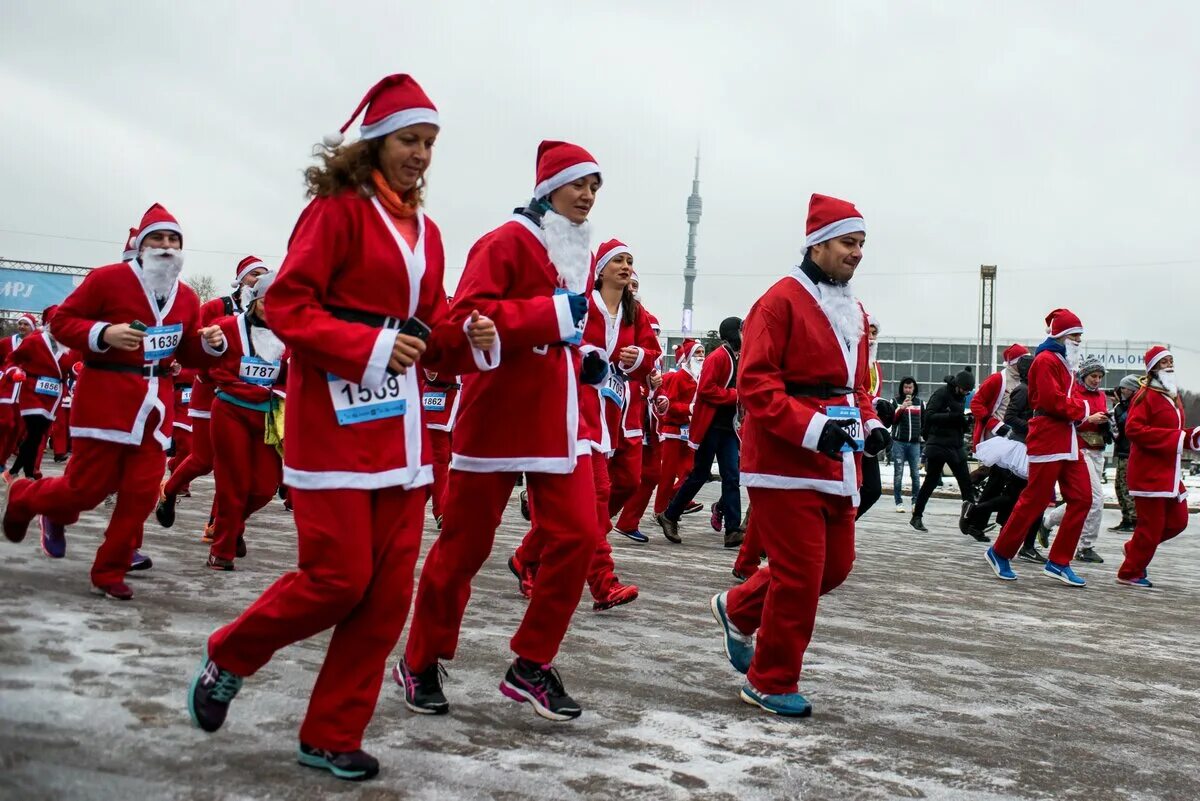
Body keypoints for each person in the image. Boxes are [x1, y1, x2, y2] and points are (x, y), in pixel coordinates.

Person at [187, 75, 498, 781]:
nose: (421, 154)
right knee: (336, 578)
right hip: (332, 427)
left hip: (403, 437)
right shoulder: (335, 213)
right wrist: (371, 346)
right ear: (375, 144)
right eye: (409, 140)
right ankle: (231, 652)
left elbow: (433, 321)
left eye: (429, 143)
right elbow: (288, 306)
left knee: (387, 597)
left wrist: (468, 331)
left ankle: (331, 731)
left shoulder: (428, 231)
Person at [399, 139, 603, 723]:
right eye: (578, 184)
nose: (588, 196)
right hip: (495, 414)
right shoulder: (503, 241)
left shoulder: (575, 252)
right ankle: (419, 660)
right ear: (547, 188)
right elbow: (465, 318)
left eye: (594, 186)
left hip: (559, 419)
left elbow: (569, 325)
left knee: (579, 536)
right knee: (464, 547)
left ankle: (531, 662)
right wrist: (551, 318)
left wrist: (584, 352)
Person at [709, 193, 887, 717]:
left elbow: (857, 387)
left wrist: (872, 424)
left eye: (861, 244)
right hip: (785, 459)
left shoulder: (854, 309)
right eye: (848, 243)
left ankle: (738, 609)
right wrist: (812, 430)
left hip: (838, 459)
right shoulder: (778, 301)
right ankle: (770, 677)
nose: (857, 253)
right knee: (800, 574)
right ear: (818, 244)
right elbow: (757, 385)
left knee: (835, 567)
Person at [2, 203, 226, 598]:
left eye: (174, 239)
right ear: (141, 246)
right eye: (157, 238)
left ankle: (110, 569)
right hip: (105, 401)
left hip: (155, 410)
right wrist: (104, 334)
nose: (166, 245)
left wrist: (211, 345)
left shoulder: (187, 297)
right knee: (85, 490)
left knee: (140, 495)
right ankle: (24, 497)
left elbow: (186, 352)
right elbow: (62, 323)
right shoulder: (107, 280)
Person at [511, 238, 659, 610]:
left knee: (588, 503)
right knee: (591, 501)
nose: (626, 266)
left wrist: (635, 357)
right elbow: (556, 344)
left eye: (630, 260)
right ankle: (603, 583)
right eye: (619, 261)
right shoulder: (582, 304)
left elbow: (651, 357)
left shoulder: (634, 313)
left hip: (605, 417)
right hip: (565, 412)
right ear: (601, 269)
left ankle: (527, 558)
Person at [984, 309, 1108, 586]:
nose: (1078, 341)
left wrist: (1077, 410)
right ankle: (999, 552)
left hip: (1066, 437)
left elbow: (1063, 400)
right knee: (1036, 499)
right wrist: (1084, 408)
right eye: (1074, 336)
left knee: (1083, 498)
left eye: (1080, 336)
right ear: (1061, 336)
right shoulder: (1046, 360)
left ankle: (1059, 561)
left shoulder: (1064, 363)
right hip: (1049, 436)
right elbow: (1051, 401)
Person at [156, 255, 272, 535]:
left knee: (232, 467)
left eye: (263, 275)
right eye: (253, 274)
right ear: (241, 279)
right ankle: (168, 491)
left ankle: (219, 525)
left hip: (249, 394)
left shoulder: (272, 310)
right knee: (204, 459)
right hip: (210, 388)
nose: (258, 280)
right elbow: (194, 340)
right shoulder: (219, 306)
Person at [201, 273, 289, 570]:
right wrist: (209, 344)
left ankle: (233, 525)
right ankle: (221, 550)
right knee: (233, 484)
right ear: (255, 299)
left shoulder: (290, 334)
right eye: (267, 300)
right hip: (230, 412)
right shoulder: (228, 327)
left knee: (266, 487)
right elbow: (205, 366)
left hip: (267, 416)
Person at [657, 317, 744, 548]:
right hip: (710, 426)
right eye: (743, 331)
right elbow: (706, 390)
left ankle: (733, 530)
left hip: (727, 428)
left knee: (732, 476)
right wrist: (736, 396)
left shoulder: (736, 358)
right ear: (733, 333)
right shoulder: (718, 357)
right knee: (700, 474)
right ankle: (670, 514)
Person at [1117, 347, 1195, 588]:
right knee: (1151, 528)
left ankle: (1134, 549)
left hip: (1169, 473)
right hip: (1149, 474)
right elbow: (1134, 430)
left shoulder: (1172, 395)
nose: (1170, 365)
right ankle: (1129, 572)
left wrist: (1192, 437)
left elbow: (1177, 432)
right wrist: (1178, 439)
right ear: (1153, 368)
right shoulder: (1145, 395)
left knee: (1178, 521)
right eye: (1164, 362)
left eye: (1171, 361)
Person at [968, 354, 1042, 560]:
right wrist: (1030, 427)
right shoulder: (1019, 388)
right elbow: (1007, 415)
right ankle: (977, 513)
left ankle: (1010, 538)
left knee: (1019, 496)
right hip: (1017, 449)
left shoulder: (1028, 388)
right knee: (1021, 496)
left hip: (1023, 447)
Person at [1037, 357, 1109, 563]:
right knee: (1095, 499)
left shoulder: (1102, 396)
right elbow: (1067, 420)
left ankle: (1048, 522)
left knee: (1083, 500)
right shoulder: (1074, 393)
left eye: (1100, 377)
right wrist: (1088, 419)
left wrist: (1107, 424)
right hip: (1079, 450)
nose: (1097, 380)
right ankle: (1086, 546)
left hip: (1097, 450)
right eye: (1093, 376)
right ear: (1084, 375)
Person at [4, 307, 77, 489]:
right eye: (57, 323)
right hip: (32, 390)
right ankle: (15, 472)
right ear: (49, 324)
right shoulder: (34, 341)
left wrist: (79, 369)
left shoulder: (70, 346)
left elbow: (75, 367)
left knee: (37, 435)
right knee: (35, 431)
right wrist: (14, 371)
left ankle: (22, 473)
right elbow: (11, 360)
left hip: (53, 396)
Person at [909, 370, 979, 536]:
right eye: (964, 390)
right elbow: (930, 416)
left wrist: (964, 421)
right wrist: (954, 417)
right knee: (931, 482)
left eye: (968, 391)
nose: (965, 394)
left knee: (966, 484)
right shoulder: (941, 393)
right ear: (957, 385)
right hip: (938, 444)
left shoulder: (960, 396)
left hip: (955, 444)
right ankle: (916, 516)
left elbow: (956, 418)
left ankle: (971, 523)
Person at [652, 340, 702, 528]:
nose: (701, 356)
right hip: (673, 432)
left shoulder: (699, 377)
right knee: (667, 474)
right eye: (697, 352)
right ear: (688, 357)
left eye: (703, 352)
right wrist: (690, 408)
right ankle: (659, 510)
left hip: (689, 433)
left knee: (691, 470)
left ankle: (676, 498)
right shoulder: (680, 377)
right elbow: (669, 405)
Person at [856, 314, 888, 519]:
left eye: (875, 333)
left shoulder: (875, 366)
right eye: (869, 331)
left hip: (868, 432)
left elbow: (870, 394)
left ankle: (837, 530)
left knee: (872, 489)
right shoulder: (852, 358)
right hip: (848, 425)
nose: (872, 337)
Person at [971, 344, 1030, 449]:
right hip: (996, 434)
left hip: (1017, 434)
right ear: (1013, 363)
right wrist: (993, 424)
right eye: (1022, 361)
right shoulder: (997, 379)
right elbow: (976, 403)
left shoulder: (1027, 380)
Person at [0, 313, 39, 468]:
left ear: (32, 327)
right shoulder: (7, 342)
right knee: (6, 423)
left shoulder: (37, 344)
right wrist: (6, 373)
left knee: (17, 429)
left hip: (25, 391)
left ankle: (2, 460)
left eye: (26, 324)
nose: (22, 327)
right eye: (20, 323)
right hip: (7, 388)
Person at [1110, 374, 1140, 532]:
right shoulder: (1124, 405)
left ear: (1132, 389)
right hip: (1123, 451)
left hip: (1129, 452)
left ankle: (1133, 520)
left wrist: (1120, 406)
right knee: (1119, 487)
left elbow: (1125, 423)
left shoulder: (1135, 405)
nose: (1121, 390)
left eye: (1124, 388)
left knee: (1126, 487)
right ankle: (1126, 518)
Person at [890, 376, 923, 512]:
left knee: (915, 474)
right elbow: (892, 420)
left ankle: (915, 502)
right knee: (898, 473)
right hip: (899, 443)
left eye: (910, 387)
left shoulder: (920, 403)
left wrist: (922, 438)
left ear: (914, 388)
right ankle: (898, 502)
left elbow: (925, 422)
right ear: (902, 388)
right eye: (905, 387)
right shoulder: (895, 401)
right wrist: (902, 407)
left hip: (914, 444)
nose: (908, 390)